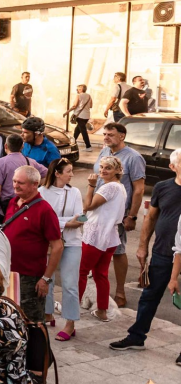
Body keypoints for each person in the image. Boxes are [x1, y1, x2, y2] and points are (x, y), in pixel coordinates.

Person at [111, 148, 181, 353]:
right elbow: (150, 217)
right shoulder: (163, 187)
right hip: (163, 252)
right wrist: (143, 247)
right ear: (173, 166)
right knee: (150, 296)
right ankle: (136, 336)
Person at [94, 122, 146, 308]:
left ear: (122, 136)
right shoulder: (104, 152)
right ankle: (98, 292)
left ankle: (120, 292)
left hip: (117, 213)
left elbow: (139, 189)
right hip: (97, 210)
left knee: (118, 250)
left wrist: (131, 216)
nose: (106, 137)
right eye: (105, 134)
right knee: (95, 248)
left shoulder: (133, 157)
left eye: (110, 134)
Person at [3, 165, 63, 322]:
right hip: (8, 273)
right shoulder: (12, 202)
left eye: (21, 183)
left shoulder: (45, 211)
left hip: (30, 278)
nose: (15, 185)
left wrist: (46, 279)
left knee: (32, 324)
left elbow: (57, 247)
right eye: (14, 181)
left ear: (35, 184)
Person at [79, 156, 128, 322]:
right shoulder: (120, 187)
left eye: (107, 168)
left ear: (117, 171)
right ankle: (102, 310)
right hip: (109, 236)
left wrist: (91, 186)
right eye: (101, 167)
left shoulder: (110, 187)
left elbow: (88, 206)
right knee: (101, 274)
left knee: (81, 271)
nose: (102, 171)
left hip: (96, 235)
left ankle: (73, 307)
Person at [39, 160, 84, 339]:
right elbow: (41, 220)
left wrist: (57, 222)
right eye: (69, 171)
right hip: (48, 243)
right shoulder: (42, 192)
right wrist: (66, 222)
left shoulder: (74, 192)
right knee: (46, 279)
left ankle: (70, 323)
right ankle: (47, 312)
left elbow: (81, 218)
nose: (72, 175)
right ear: (57, 173)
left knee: (70, 283)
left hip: (72, 242)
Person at [0, 134, 47, 218]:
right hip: (27, 201)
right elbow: (48, 173)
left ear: (6, 146)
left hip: (7, 205)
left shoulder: (0, 163)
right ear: (22, 147)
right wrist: (37, 185)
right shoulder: (30, 162)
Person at [68, 84, 93, 150]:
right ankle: (72, 144)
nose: (77, 90)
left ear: (81, 89)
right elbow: (90, 106)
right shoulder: (89, 96)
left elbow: (74, 106)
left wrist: (67, 112)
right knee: (77, 130)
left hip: (80, 116)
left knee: (83, 131)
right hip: (86, 116)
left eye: (77, 89)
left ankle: (88, 146)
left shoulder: (78, 96)